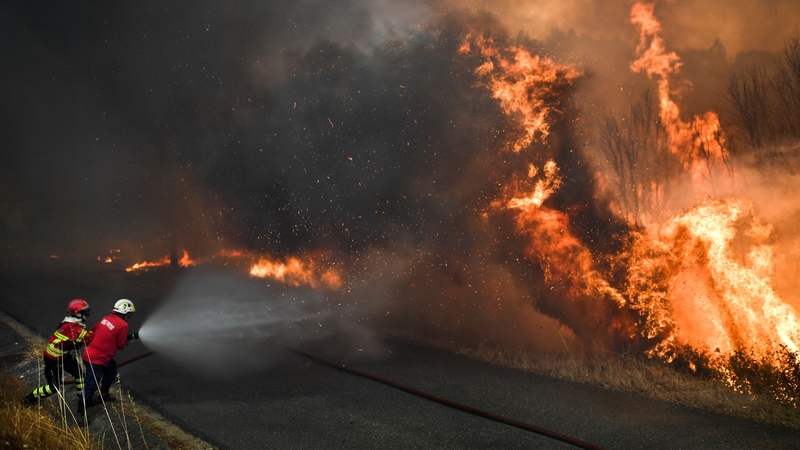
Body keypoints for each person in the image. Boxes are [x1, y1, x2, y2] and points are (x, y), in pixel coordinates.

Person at [23, 299, 94, 405]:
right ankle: (29, 399)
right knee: (54, 387)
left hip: (63, 357)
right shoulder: (72, 328)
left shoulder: (70, 323)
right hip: (53, 360)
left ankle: (82, 400)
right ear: (78, 314)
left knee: (79, 374)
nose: (88, 315)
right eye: (86, 312)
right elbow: (88, 338)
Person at [78, 298, 139, 419]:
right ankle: (80, 413)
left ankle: (104, 394)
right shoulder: (123, 325)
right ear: (126, 312)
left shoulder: (107, 318)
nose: (130, 316)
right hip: (96, 358)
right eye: (130, 314)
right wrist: (129, 340)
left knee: (111, 369)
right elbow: (120, 345)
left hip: (91, 353)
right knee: (91, 385)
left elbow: (93, 329)